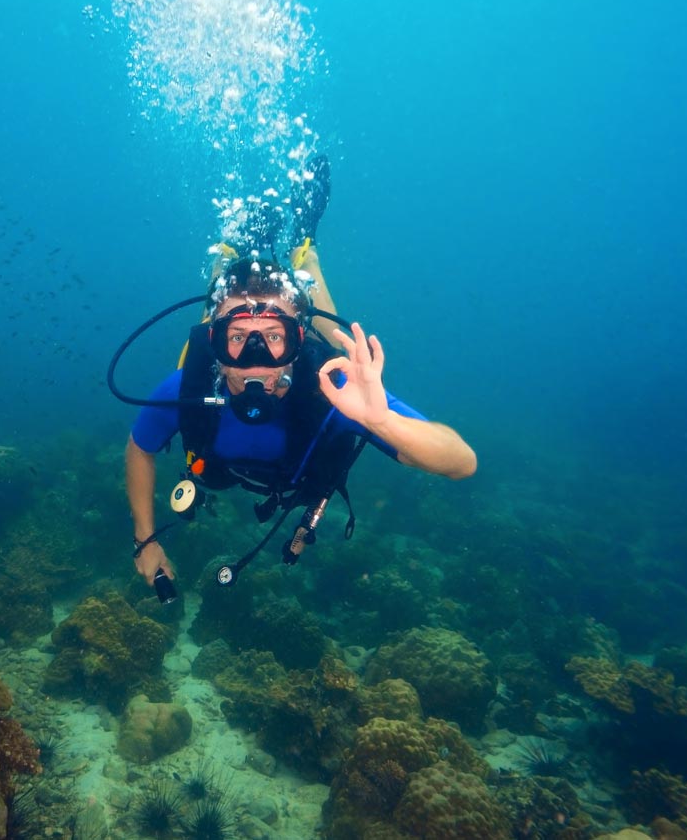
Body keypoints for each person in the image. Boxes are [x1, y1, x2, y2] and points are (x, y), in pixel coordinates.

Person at [121, 160, 477, 591]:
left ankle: (305, 251)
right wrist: (144, 540)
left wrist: (382, 421)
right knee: (214, 309)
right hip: (216, 380)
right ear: (217, 344)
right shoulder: (188, 389)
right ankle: (227, 257)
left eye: (274, 336)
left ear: (296, 340)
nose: (255, 358)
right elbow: (140, 448)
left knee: (334, 341)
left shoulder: (336, 392)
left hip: (315, 356)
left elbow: (462, 462)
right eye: (237, 338)